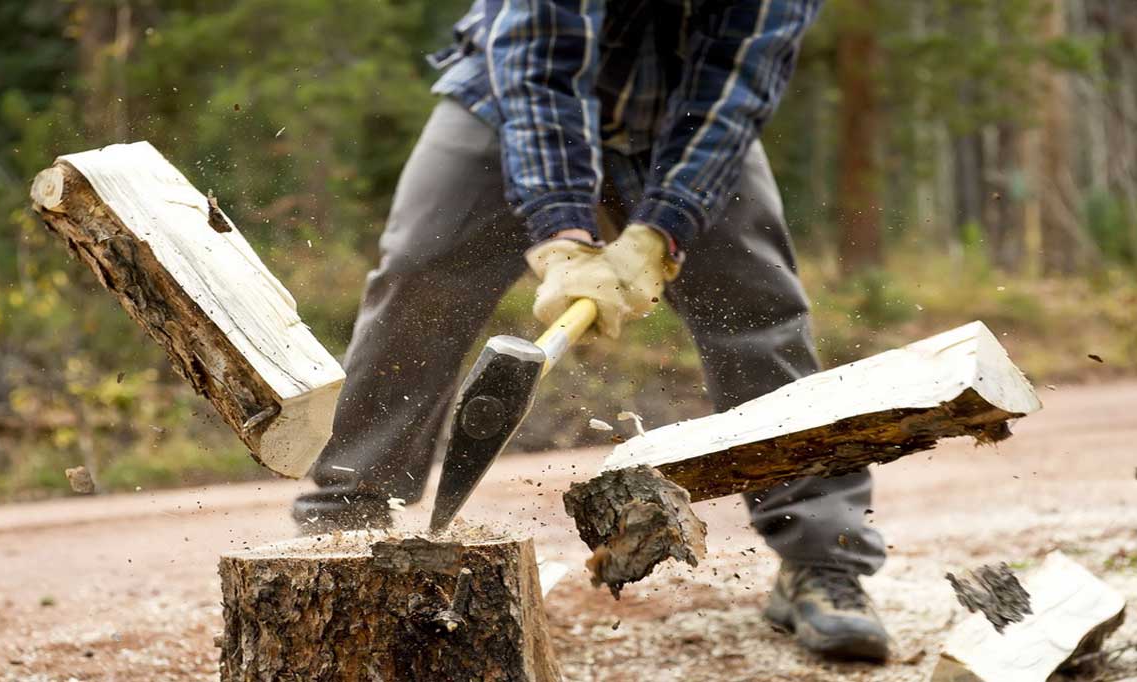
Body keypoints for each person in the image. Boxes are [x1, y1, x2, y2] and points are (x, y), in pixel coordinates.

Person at [294, 0, 890, 661]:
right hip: (511, 98)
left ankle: (823, 559)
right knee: (421, 274)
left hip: (687, 120)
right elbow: (542, 62)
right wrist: (562, 234)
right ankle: (346, 522)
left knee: (757, 307)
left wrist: (664, 228)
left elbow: (739, 82)